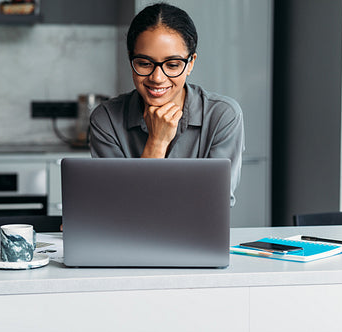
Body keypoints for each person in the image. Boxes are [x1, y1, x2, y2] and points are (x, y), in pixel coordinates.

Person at [89, 2, 245, 206]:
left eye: (172, 65)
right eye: (144, 63)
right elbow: (118, 207)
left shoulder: (223, 115)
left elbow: (214, 204)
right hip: (126, 237)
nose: (157, 77)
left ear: (190, 64)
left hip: (195, 235)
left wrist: (129, 199)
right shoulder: (106, 118)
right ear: (131, 61)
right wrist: (157, 142)